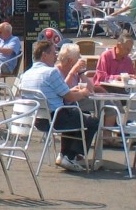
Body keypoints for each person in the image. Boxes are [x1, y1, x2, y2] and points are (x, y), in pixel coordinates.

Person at [20, 39, 98, 172]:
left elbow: (59, 92)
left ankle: (64, 156)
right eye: (53, 53)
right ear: (44, 55)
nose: (56, 56)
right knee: (92, 121)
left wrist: (71, 91)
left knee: (76, 115)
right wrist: (84, 92)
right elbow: (70, 97)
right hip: (56, 118)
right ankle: (71, 156)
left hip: (38, 119)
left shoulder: (25, 74)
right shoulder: (51, 72)